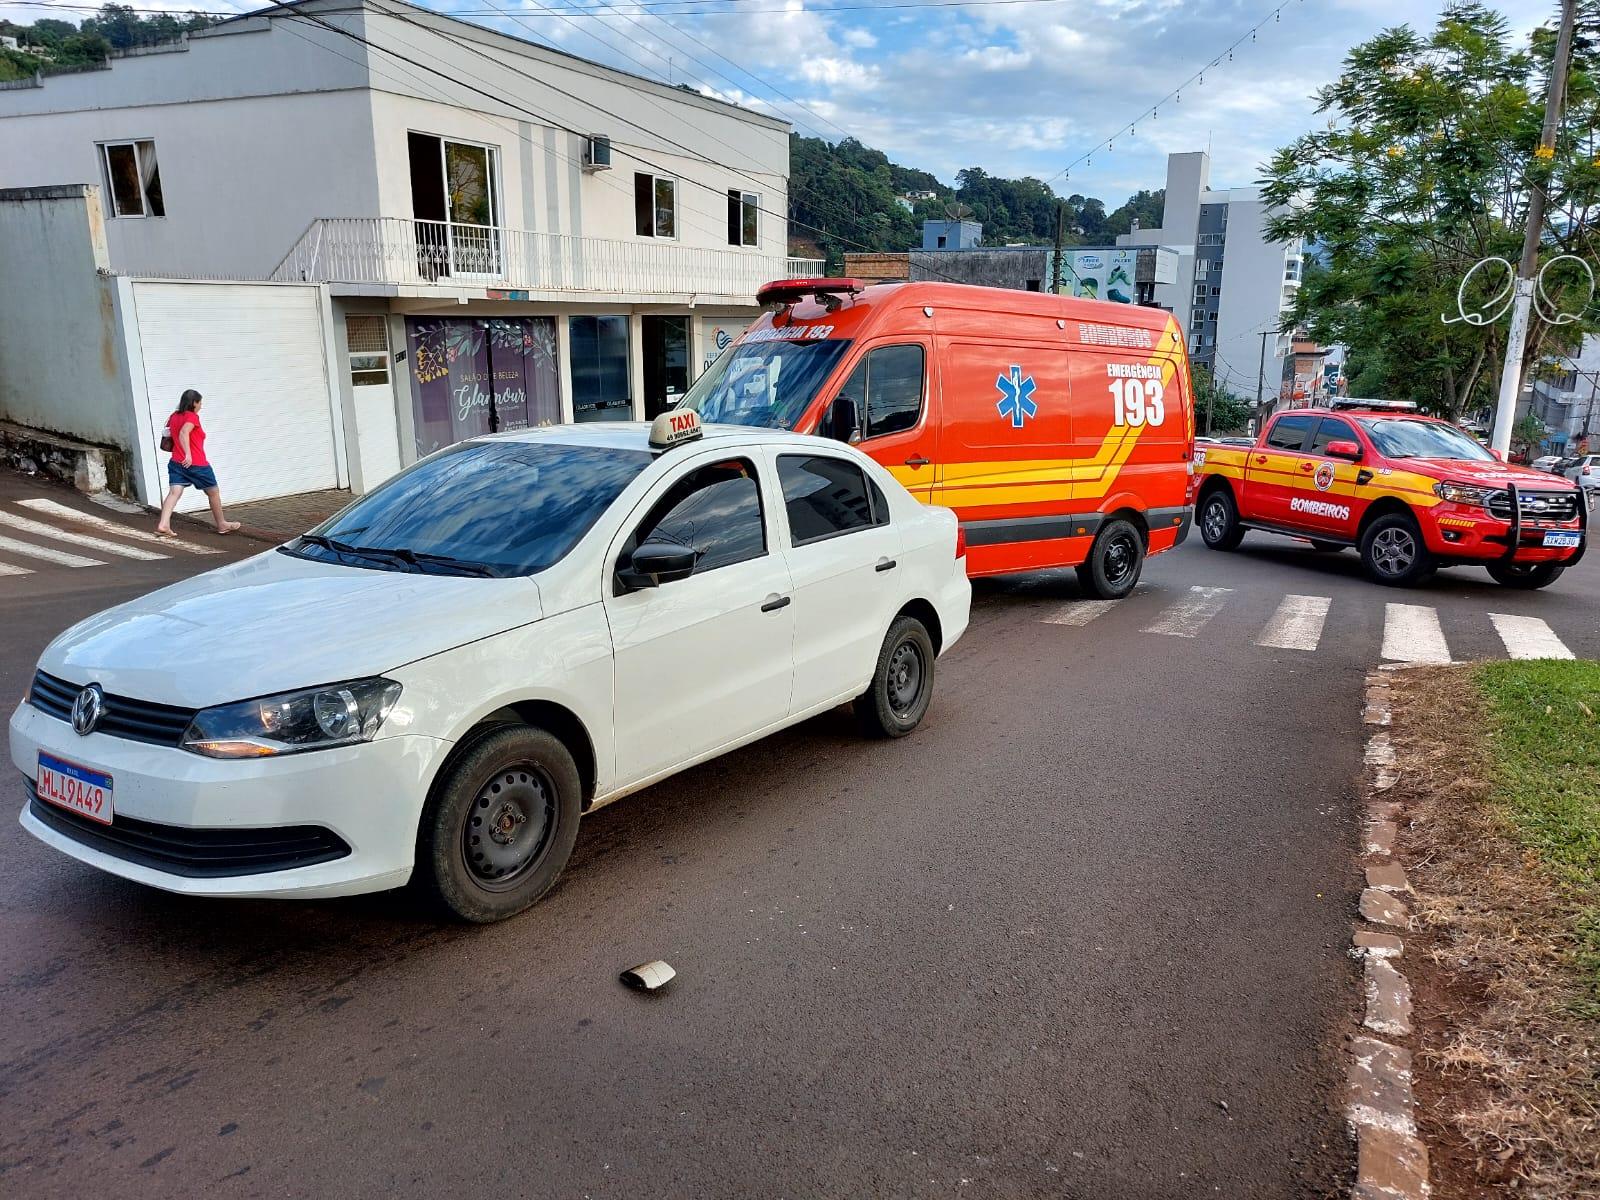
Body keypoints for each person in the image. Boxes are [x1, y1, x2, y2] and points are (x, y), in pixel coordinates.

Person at [155, 390, 241, 537]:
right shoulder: (192, 417)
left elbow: (169, 434)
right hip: (197, 464)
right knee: (213, 492)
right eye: (200, 402)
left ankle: (163, 524)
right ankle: (221, 524)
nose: (201, 405)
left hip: (176, 462)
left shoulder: (174, 416)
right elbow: (183, 432)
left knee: (174, 493)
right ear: (194, 403)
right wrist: (188, 454)